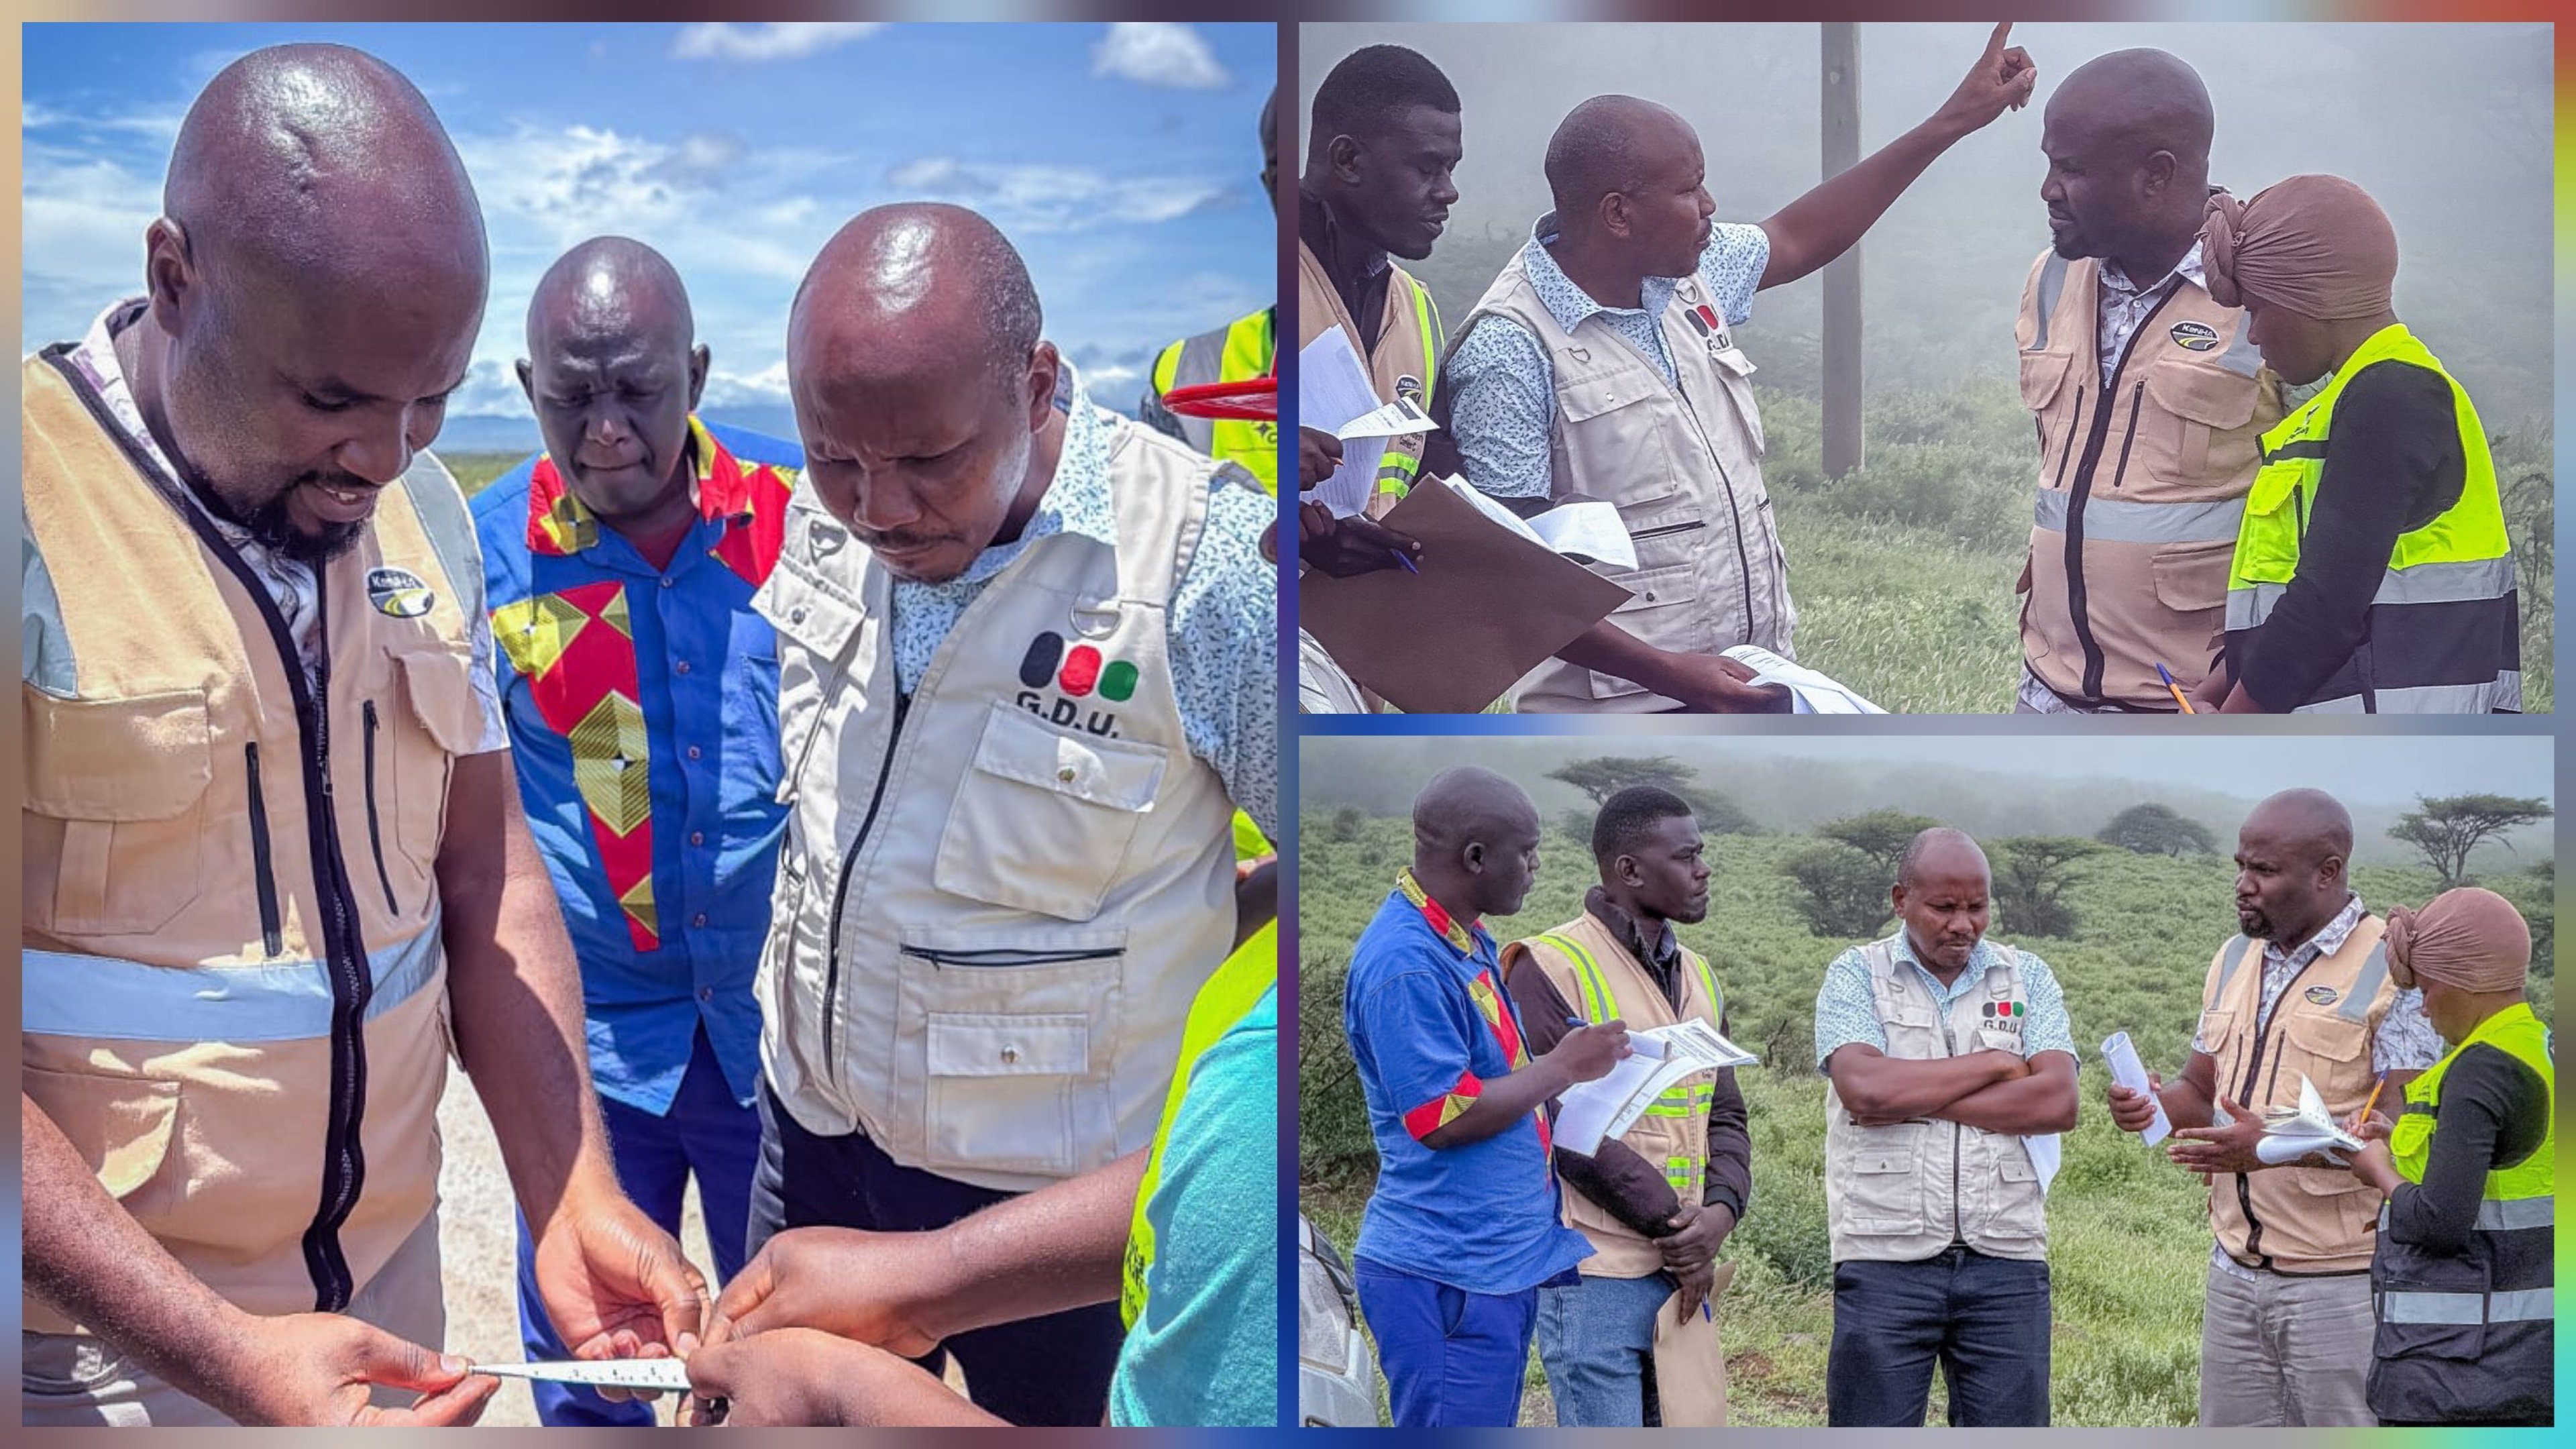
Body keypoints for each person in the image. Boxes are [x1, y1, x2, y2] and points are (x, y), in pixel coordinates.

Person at [19, 45, 705, 1428]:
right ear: (173, 277)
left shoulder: (425, 520)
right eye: (332, 401)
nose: (387, 456)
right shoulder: (26, 512)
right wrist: (225, 1356)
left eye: (432, 404)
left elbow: (489, 879)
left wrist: (569, 1194)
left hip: (388, 1311)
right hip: (97, 1358)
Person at [747, 202, 1277, 1425]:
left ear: (1038, 384)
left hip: (1053, 1220)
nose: (877, 508)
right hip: (814, 1137)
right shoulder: (816, 516)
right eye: (836, 457)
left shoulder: (1207, 567)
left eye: (928, 461)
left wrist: (1211, 935)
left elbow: (1347, 871)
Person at [1441, 25, 2036, 714]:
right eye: (1691, 189)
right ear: (1618, 214)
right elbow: (1509, 581)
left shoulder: (1685, 277)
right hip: (1621, 709)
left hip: (1746, 683)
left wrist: (1953, 121)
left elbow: (1796, 236)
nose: (1711, 207)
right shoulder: (1508, 352)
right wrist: (1671, 674)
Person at [470, 237, 802, 1426]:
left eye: (637, 390)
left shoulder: (799, 524)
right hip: (597, 1063)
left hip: (779, 1048)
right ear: (525, 390)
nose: (606, 428)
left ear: (698, 374)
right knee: (597, 1360)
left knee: (784, 1358)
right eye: (573, 397)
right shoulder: (488, 558)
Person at [678, 920, 1282, 1428]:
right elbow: (1198, 1180)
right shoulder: (1267, 980)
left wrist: (842, 1392)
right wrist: (924, 1278)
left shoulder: (1272, 1047)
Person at [2105, 788, 2437, 1426]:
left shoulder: (2393, 971)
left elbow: (2404, 1139)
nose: (2243, 885)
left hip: (2340, 1285)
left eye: (2264, 870)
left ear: (2328, 872)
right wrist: (2149, 1103)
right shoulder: (2233, 958)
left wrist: (2267, 1150)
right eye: (2240, 866)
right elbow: (2200, 1093)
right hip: (2233, 1273)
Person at [1342, 767, 1633, 1426]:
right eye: (1526, 852)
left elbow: (1491, 1074)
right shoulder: (1406, 963)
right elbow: (1442, 1117)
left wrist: (1574, 1066)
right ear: (1475, 857)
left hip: (1491, 1262)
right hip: (1448, 1273)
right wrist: (1562, 1066)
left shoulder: (1462, 938)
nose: (1536, 866)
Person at [2016, 48, 2288, 714]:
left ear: (2157, 175)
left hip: (2196, 704)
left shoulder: (2270, 293)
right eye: (2049, 164)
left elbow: (2332, 514)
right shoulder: (2050, 278)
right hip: (2046, 690)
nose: (2049, 189)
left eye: (2072, 169)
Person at [2190, 176, 2520, 713]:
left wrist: (2232, 724)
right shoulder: (2344, 401)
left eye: (2257, 309)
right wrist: (2225, 680)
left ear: (2312, 298)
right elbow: (2312, 579)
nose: (2253, 335)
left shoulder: (2392, 397)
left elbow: (2326, 605)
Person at [1501, 787, 1751, 1427]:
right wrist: (1680, 1231)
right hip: (1594, 1270)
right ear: (1629, 871)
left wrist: (1719, 1215)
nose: (1705, 870)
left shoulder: (1698, 973)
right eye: (1687, 856)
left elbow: (1723, 1112)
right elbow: (1560, 1125)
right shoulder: (1550, 965)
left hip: (1680, 1269)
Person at [1812, 828, 2078, 1427]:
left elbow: (2058, 1100)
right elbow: (1865, 1089)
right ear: (1900, 899)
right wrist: (1993, 1066)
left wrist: (1914, 1094)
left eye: (1978, 907)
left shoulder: (2027, 975)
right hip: (1883, 1254)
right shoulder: (1855, 974)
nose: (1964, 924)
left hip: (2007, 1256)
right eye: (1944, 907)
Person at [2337, 889, 2552, 1428]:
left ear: (2464, 981)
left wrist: (2376, 1169)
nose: (2425, 1006)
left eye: (2428, 988)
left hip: (2463, 1377)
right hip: (2535, 1360)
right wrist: (2397, 1140)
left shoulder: (2480, 1069)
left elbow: (2439, 1221)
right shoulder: (2541, 1049)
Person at [1298, 44, 1454, 515]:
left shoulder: (1417, 308)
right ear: (1347, 160)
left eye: (1451, 168)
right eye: (1427, 168)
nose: (1449, 191)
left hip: (1381, 591)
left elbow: (1439, 479)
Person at [1141, 87, 1280, 494]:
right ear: (1269, 186)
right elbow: (1157, 530)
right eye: (1284, 172)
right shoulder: (1184, 370)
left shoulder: (1415, 320)